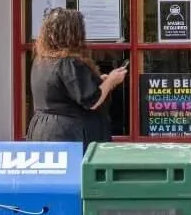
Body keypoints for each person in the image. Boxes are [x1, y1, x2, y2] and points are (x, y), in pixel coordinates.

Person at [26, 8, 127, 145]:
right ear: (73, 34)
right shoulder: (68, 62)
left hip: (44, 131)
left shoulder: (41, 61)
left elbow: (66, 91)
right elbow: (92, 101)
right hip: (68, 133)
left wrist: (101, 82)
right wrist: (111, 81)